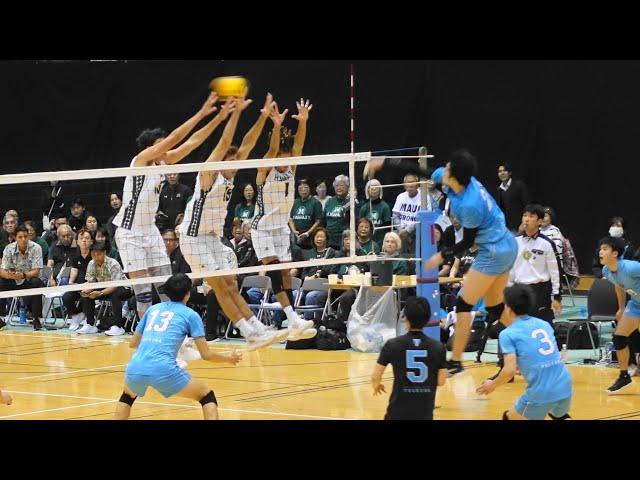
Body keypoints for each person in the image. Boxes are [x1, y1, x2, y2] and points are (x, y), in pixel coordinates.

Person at [365, 149, 518, 376]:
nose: (443, 169)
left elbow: (468, 240)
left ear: (453, 176)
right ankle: (529, 343)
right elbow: (421, 171)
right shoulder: (456, 180)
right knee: (496, 307)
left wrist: (442, 255)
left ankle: (455, 361)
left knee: (464, 304)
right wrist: (384, 162)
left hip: (494, 250)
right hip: (506, 245)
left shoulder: (470, 204)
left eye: (447, 168)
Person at [178, 94, 290, 348]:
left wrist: (262, 116)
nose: (234, 164)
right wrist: (235, 113)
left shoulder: (231, 174)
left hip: (213, 238)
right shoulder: (208, 175)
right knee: (219, 284)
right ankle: (248, 331)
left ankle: (257, 327)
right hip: (193, 239)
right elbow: (226, 141)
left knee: (230, 283)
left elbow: (247, 145)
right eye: (229, 161)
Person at [112, 91, 223, 322]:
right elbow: (175, 139)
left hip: (150, 231)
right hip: (129, 232)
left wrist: (217, 119)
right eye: (160, 145)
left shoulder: (163, 163)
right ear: (149, 147)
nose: (166, 148)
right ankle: (144, 338)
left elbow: (192, 143)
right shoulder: (140, 160)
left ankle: (173, 333)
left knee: (168, 287)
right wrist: (201, 112)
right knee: (142, 293)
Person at [114, 273, 242, 420]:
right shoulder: (190, 315)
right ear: (188, 293)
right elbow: (206, 355)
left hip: (136, 366)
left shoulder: (153, 309)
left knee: (127, 397)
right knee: (207, 397)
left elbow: (133, 343)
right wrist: (228, 359)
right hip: (164, 369)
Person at [251, 97, 316, 340]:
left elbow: (299, 145)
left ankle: (291, 320)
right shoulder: (264, 170)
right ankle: (292, 318)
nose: (285, 162)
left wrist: (303, 122)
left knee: (286, 274)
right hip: (262, 228)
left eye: (288, 158)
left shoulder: (291, 169)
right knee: (277, 270)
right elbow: (270, 151)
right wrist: (277, 125)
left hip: (280, 228)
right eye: (282, 158)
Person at [476, 284, 573, 420]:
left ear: (508, 308)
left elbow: (508, 371)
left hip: (541, 392)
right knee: (558, 414)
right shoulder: (543, 324)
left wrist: (492, 384)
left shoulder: (508, 334)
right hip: (565, 384)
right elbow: (546, 355)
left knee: (509, 417)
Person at [371, 296, 447, 420]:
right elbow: (441, 381)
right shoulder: (438, 347)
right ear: (428, 319)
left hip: (397, 412)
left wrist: (377, 385)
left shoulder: (392, 345)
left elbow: (375, 376)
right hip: (424, 413)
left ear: (405, 317)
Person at [598, 236, 640, 393]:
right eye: (600, 249)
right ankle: (624, 377)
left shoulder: (631, 267)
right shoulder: (606, 270)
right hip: (636, 305)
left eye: (605, 249)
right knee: (619, 337)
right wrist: (621, 308)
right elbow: (619, 286)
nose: (600, 252)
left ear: (615, 253)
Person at [359, 178, 391, 246]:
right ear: (367, 190)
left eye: (376, 187)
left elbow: (387, 227)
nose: (374, 189)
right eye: (371, 187)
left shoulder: (385, 207)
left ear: (380, 190)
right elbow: (359, 225)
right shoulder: (364, 207)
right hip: (366, 241)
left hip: (380, 241)